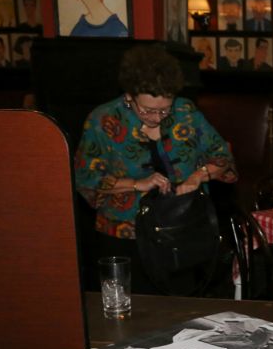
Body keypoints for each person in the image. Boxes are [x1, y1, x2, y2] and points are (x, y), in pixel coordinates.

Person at [73, 45, 237, 294]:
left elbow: (223, 158)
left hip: (182, 234)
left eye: (164, 110)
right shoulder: (103, 120)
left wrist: (197, 176)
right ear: (129, 95)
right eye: (147, 110)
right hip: (125, 237)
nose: (157, 117)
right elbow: (85, 179)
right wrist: (136, 183)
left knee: (183, 311)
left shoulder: (186, 113)